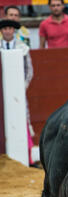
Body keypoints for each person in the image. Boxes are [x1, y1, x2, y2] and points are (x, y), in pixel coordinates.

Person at [0, 18, 34, 166]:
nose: (7, 31)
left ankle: (29, 157)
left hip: (19, 93)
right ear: (1, 31)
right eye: (4, 28)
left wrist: (21, 88)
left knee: (23, 119)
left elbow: (29, 71)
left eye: (10, 28)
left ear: (14, 30)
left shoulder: (22, 47)